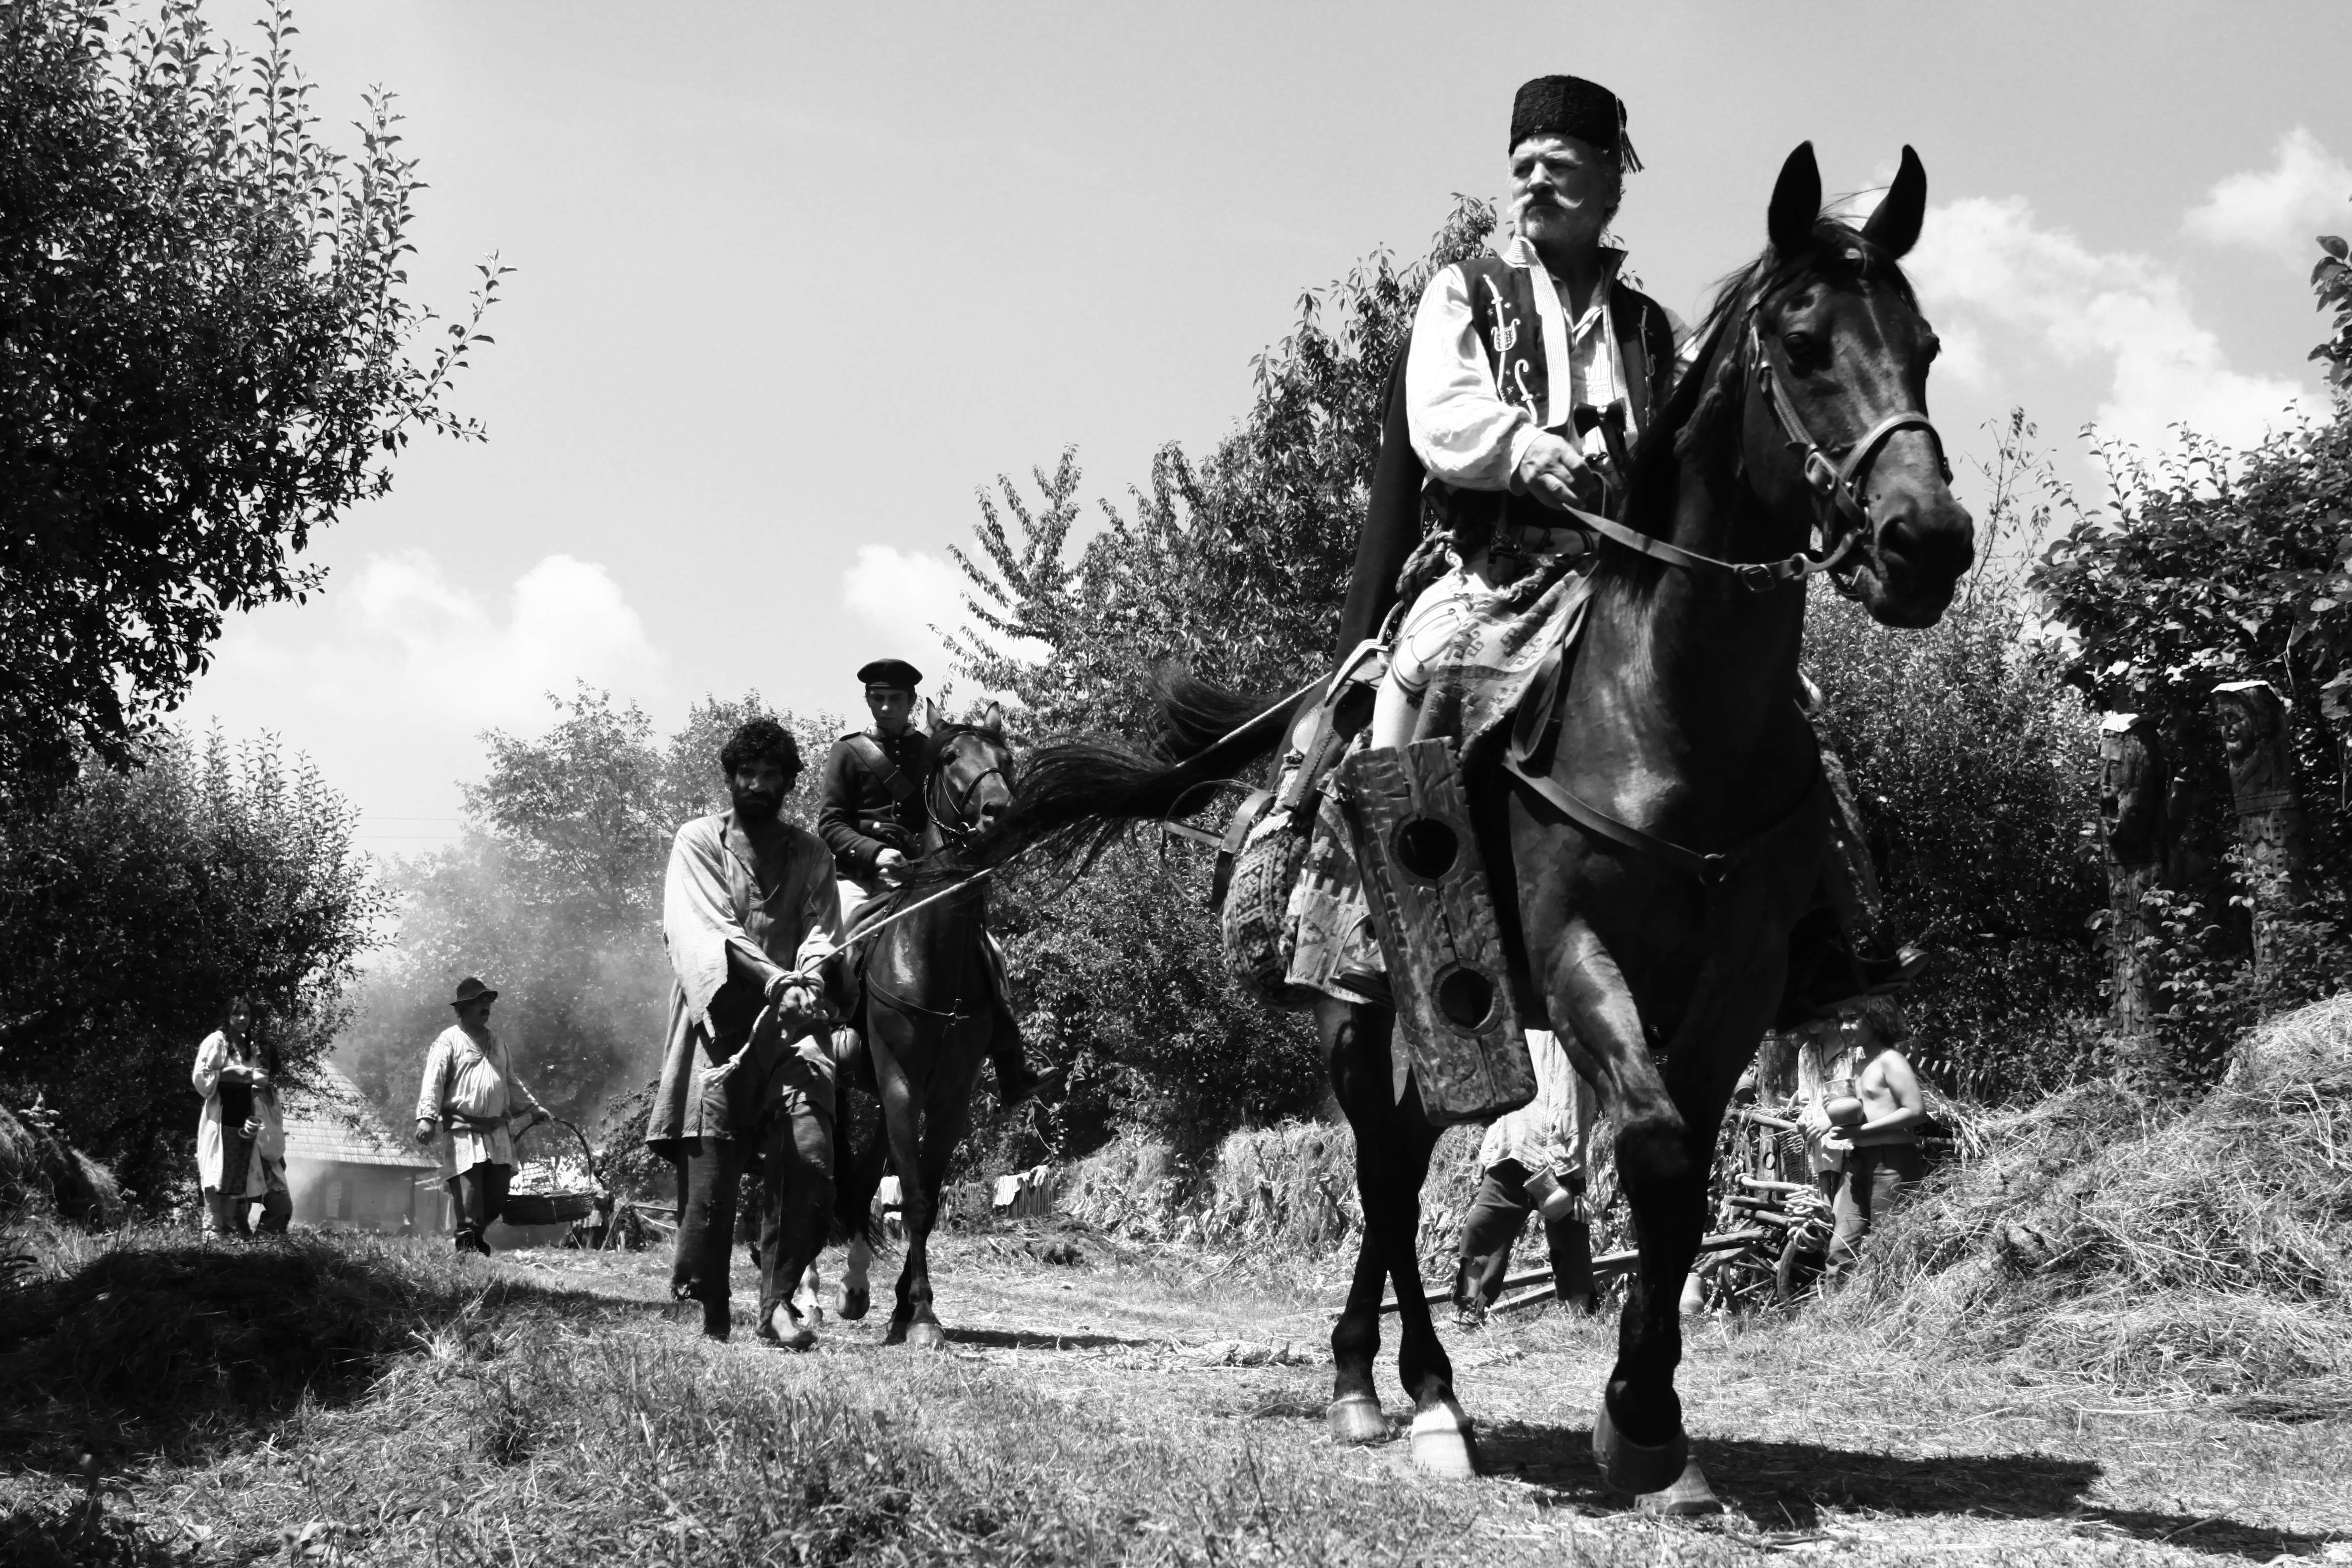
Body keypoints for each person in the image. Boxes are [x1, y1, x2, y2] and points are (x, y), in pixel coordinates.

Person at [646, 718, 850, 1347]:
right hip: (716, 1024)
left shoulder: (813, 853)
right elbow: (710, 931)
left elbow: (822, 932)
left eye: (770, 775)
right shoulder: (697, 841)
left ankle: (779, 1301)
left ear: (789, 783)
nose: (757, 785)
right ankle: (709, 1304)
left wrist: (808, 983)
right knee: (711, 1181)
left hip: (790, 1028)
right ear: (731, 779)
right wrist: (775, 982)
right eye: (746, 774)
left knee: (811, 1154)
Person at [816, 657, 1043, 1105]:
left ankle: (1011, 1061)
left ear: (911, 703)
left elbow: (950, 811)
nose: (886, 707)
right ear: (868, 700)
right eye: (878, 699)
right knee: (834, 947)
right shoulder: (848, 752)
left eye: (895, 700)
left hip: (921, 876)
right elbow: (830, 822)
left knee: (988, 948)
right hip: (862, 880)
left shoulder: (933, 750)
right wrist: (874, 852)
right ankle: (828, 1044)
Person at [1452, 1029, 1600, 1323]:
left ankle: (1580, 1319)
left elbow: (1577, 1099)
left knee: (1571, 1240)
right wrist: (1489, 1149)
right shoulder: (1518, 1024)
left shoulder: (1580, 1025)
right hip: (1512, 1148)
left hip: (1560, 1156)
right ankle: (1471, 1308)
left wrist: (1570, 1158)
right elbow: (1503, 1093)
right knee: (1480, 1228)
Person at [414, 977, 548, 1256]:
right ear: (462, 1009)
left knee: (498, 1197)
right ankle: (467, 1247)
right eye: (479, 1001)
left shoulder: (498, 1042)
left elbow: (509, 1078)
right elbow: (433, 1080)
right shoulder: (449, 1040)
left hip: (497, 1130)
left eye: (487, 1000)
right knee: (469, 1195)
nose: (486, 1005)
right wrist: (427, 1117)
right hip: (464, 1130)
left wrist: (534, 1108)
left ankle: (474, 1237)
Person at [1813, 999, 1926, 1277]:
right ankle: (1836, 1318)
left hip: (1892, 1164)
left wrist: (1860, 1132)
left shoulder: (1891, 1060)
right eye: (1842, 1020)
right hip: (1858, 1163)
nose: (1845, 1027)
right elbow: (1862, 1110)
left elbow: (1916, 1111)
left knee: (1890, 1246)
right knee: (1840, 1251)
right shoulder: (1858, 1064)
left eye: (1853, 1018)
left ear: (1876, 1020)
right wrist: (1831, 1117)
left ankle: (1891, 1315)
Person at [191, 996, 289, 1237]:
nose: (242, 1018)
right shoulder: (217, 1042)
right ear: (228, 1016)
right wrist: (242, 1074)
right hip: (222, 1118)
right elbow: (202, 1079)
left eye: (246, 1013)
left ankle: (227, 1232)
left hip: (243, 1120)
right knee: (218, 1175)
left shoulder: (248, 1047)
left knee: (235, 1179)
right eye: (237, 1014)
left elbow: (250, 1084)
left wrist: (253, 1084)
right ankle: (212, 1232)